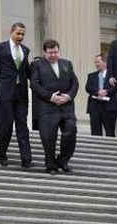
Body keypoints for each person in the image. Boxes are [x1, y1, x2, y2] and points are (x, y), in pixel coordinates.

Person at [0, 22, 32, 168]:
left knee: (22, 126)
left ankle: (26, 159)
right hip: (4, 93)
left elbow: (27, 71)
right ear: (11, 32)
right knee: (5, 126)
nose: (20, 36)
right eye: (18, 33)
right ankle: (1, 154)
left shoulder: (25, 50)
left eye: (23, 34)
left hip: (21, 94)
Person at [30, 39, 79, 175]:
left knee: (71, 131)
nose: (53, 55)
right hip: (47, 107)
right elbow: (34, 84)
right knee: (48, 137)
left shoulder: (67, 64)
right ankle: (50, 165)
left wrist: (68, 96)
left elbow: (75, 84)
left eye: (55, 52)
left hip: (66, 106)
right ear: (44, 53)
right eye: (50, 52)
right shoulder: (38, 65)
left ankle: (63, 161)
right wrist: (50, 97)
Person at [85, 53, 117, 137]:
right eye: (95, 62)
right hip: (95, 106)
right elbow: (88, 88)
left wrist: (107, 91)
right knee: (95, 132)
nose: (96, 64)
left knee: (110, 131)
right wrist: (98, 92)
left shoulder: (113, 76)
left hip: (109, 107)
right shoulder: (91, 76)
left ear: (105, 62)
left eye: (98, 62)